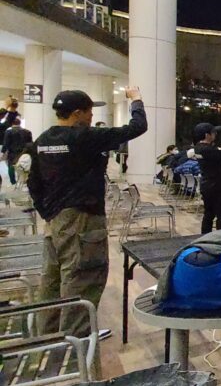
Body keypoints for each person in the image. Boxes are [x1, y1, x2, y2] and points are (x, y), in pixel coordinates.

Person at [28, 87, 146, 337]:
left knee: (52, 282)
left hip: (54, 222)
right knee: (82, 282)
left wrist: (49, 213)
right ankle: (76, 348)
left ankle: (46, 341)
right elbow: (137, 127)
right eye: (90, 112)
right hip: (83, 221)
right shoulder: (84, 137)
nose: (92, 117)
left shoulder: (43, 140)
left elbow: (34, 184)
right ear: (77, 113)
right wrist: (136, 99)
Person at [2, 117, 32, 185]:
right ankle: (23, 180)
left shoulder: (8, 132)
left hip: (12, 152)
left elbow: (6, 143)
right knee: (23, 167)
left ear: (12, 123)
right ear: (20, 123)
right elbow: (30, 143)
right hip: (24, 153)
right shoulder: (27, 131)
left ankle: (13, 182)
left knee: (11, 166)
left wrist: (3, 152)